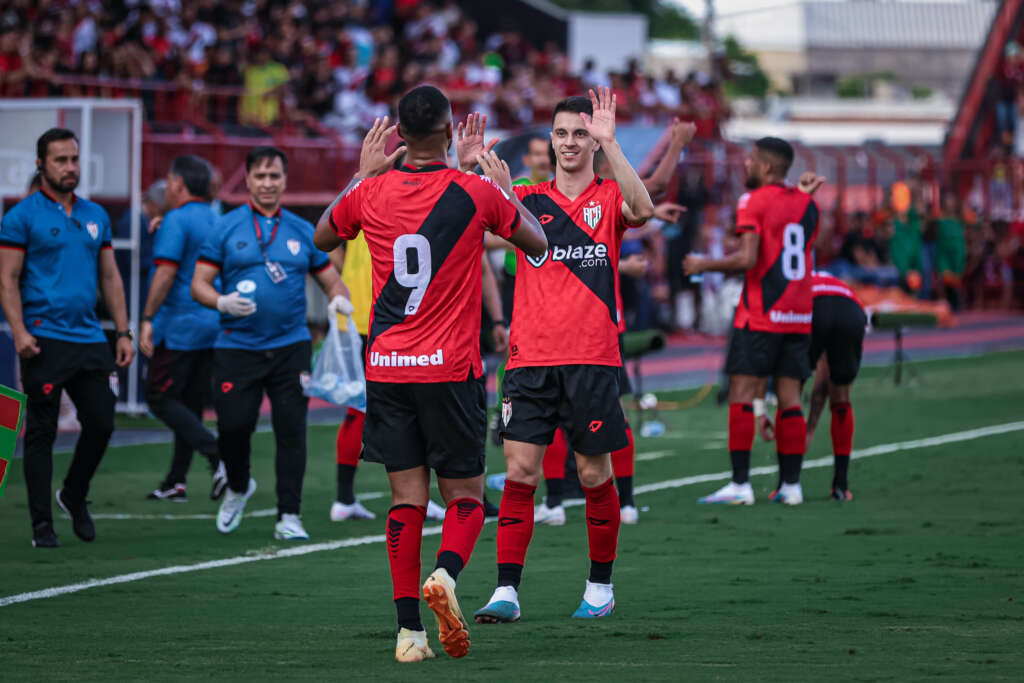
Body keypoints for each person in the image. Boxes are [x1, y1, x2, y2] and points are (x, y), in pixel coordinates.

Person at [313, 87, 546, 663]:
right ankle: (445, 574)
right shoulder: (473, 192)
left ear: (396, 135)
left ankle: (409, 633)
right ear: (448, 133)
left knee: (405, 499)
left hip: (388, 366)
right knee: (465, 495)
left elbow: (320, 239)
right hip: (450, 367)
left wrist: (358, 177)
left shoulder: (369, 192)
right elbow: (535, 243)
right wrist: (499, 184)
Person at [469, 88, 655, 624]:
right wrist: (478, 178)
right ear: (549, 141)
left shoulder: (607, 197)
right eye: (561, 134)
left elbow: (643, 210)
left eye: (579, 134)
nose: (570, 143)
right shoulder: (526, 195)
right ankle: (506, 590)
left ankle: (600, 586)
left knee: (594, 476)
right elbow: (472, 224)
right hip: (529, 361)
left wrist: (611, 142)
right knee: (521, 473)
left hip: (592, 358)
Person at [191, 146, 352, 541]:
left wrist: (341, 306)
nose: (267, 183)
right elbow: (198, 284)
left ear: (284, 180)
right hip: (236, 346)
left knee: (291, 431)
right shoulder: (225, 228)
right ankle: (239, 485)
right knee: (232, 428)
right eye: (260, 176)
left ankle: (289, 515)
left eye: (274, 176)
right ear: (247, 180)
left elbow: (331, 280)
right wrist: (221, 301)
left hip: (290, 347)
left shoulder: (302, 230)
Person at [0, 127, 135, 547]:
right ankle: (42, 527)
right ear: (41, 164)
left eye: (74, 159)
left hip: (90, 337)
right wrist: (19, 332)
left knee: (102, 422)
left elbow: (110, 276)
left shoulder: (96, 216)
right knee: (41, 433)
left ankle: (74, 493)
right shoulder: (20, 217)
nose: (70, 167)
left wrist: (124, 331)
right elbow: (7, 278)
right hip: (43, 338)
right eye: (61, 160)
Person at [685, 139, 820, 506]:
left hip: (761, 315)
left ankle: (740, 484)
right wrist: (801, 195)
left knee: (742, 394)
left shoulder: (751, 201)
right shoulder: (808, 204)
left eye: (751, 160)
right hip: (798, 314)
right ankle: (791, 486)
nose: (745, 164)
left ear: (765, 168)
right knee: (791, 399)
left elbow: (748, 258)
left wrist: (702, 264)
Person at [138, 155, 225, 502]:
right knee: (188, 405)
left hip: (179, 326)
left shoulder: (175, 220)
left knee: (159, 398)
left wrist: (146, 319)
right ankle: (176, 480)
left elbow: (166, 273)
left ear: (177, 183)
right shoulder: (217, 218)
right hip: (211, 324)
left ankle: (218, 454)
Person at [804, 271, 866, 501]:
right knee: (841, 397)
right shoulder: (834, 282)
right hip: (852, 308)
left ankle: (786, 484)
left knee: (788, 389)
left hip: (814, 305)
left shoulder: (795, 282)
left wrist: (808, 430)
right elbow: (823, 386)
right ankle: (841, 486)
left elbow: (819, 386)